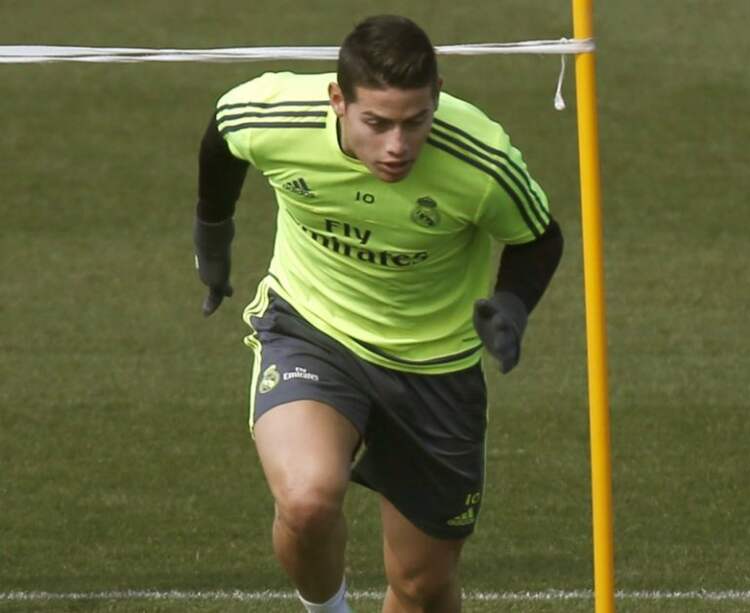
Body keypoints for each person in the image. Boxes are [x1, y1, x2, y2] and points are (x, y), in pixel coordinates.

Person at [194, 15, 563, 613]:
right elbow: (222, 137)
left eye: (416, 122)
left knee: (422, 586)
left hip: (434, 366)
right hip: (313, 330)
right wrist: (212, 244)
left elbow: (539, 238)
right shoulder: (274, 115)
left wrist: (512, 306)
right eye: (377, 123)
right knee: (307, 500)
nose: (397, 146)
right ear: (338, 100)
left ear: (437, 96)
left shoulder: (482, 160)